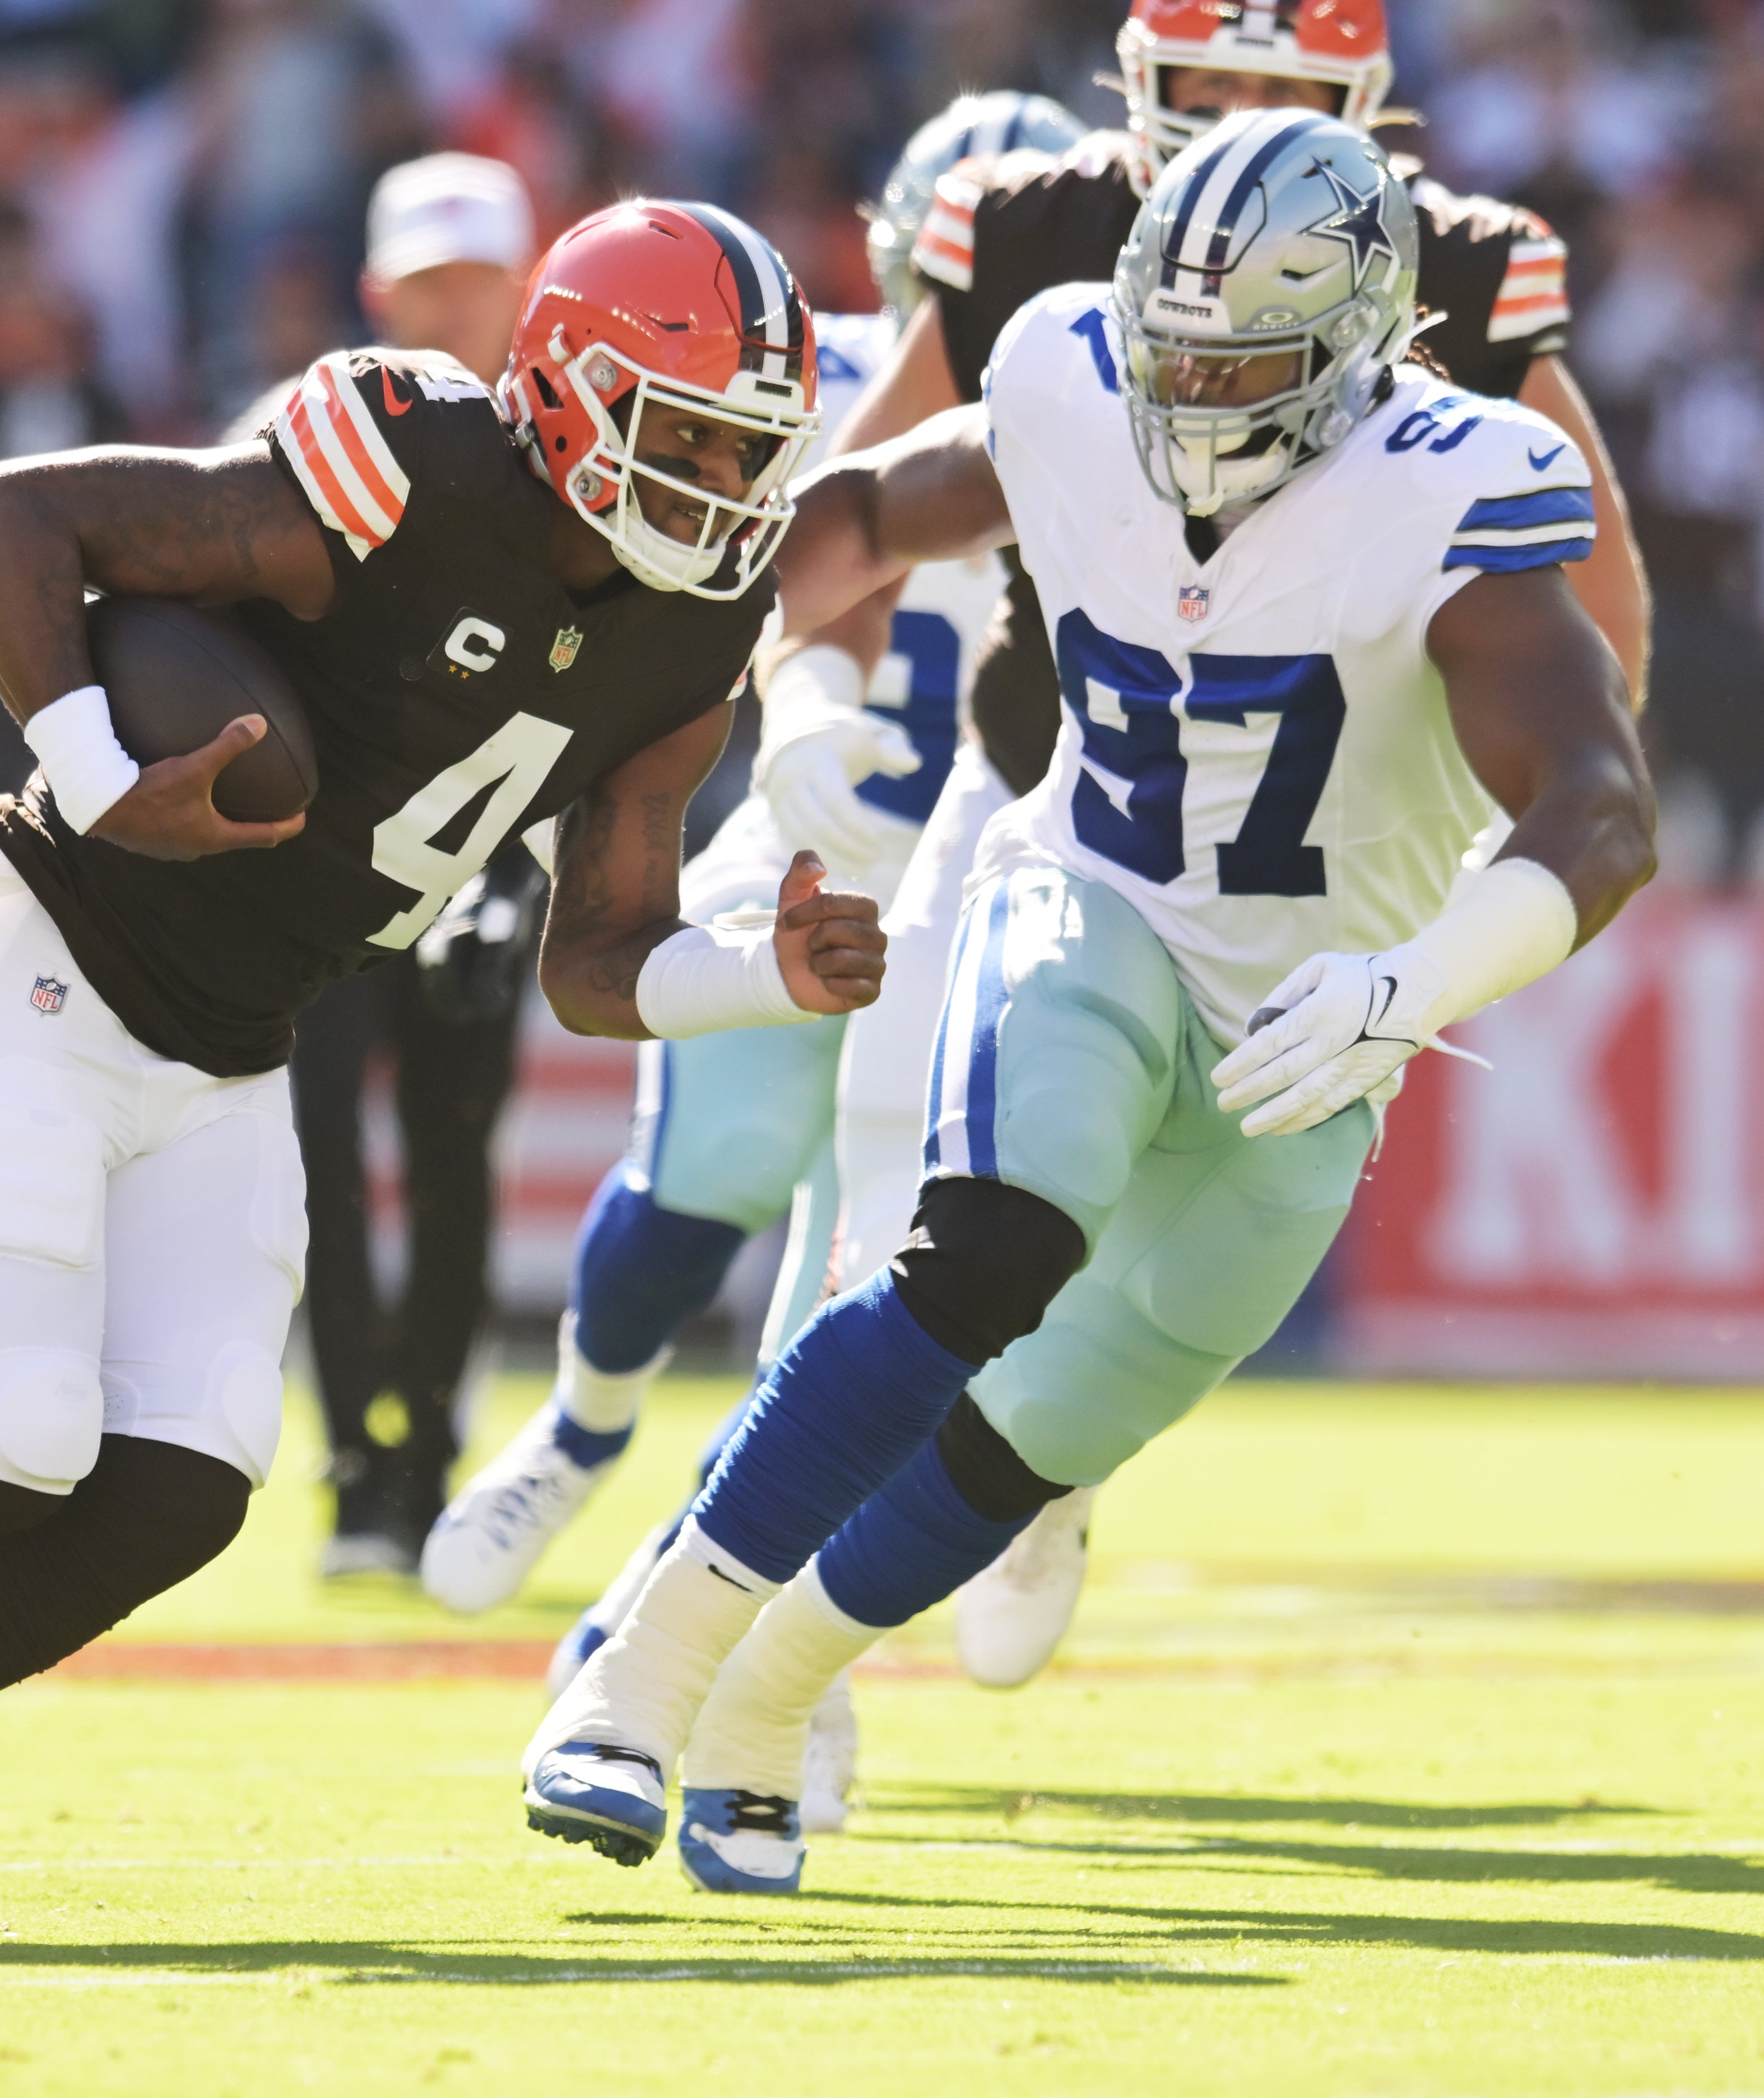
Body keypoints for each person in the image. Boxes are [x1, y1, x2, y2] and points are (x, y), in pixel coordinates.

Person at [0, 197, 887, 1947]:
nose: (719, 481)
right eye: (689, 431)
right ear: (563, 392)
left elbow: (589, 964)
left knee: (174, 1492)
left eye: (748, 447)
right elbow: (6, 521)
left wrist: (752, 974)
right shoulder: (410, 463)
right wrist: (96, 767)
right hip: (40, 954)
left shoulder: (688, 637)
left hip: (234, 1051)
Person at [521, 113, 1656, 1898]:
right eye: (1165, 339)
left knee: (1045, 1427)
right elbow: (858, 515)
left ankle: (765, 1709)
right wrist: (758, 685)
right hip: (1096, 901)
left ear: (1357, 339)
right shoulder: (1066, 365)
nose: (1185, 385)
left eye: (1236, 356)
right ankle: (635, 1685)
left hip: (1320, 1021)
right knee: (980, 1251)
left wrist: (1410, 978)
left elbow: (1597, 810)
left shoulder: (1456, 476)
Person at [799, 0, 1652, 1693]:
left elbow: (1593, 605)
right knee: (883, 1167)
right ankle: (761, 1603)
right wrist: (807, 695)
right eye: (1208, 90)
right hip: (1045, 778)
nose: (1242, 122)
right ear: (1135, 90)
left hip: (1300, 850)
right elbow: (858, 497)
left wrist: (1555, 808)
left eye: (1285, 95)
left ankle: (1035, 1468)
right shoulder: (1036, 232)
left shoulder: (1459, 276)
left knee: (1144, 1227)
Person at [419, 95, 1087, 1637]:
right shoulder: (811, 375)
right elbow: (759, 562)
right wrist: (800, 714)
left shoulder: (1123, 421)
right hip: (813, 821)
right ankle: (580, 1424)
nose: (961, 312)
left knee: (897, 1229)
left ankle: (1010, 1477)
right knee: (703, 1173)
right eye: (944, 270)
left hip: (1006, 866)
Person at [279, 150, 546, 1576]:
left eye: (476, 282)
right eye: (429, 284)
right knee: (317, 1170)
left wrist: (526, 863)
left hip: (486, 852)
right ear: (381, 290)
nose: (451, 310)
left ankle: (427, 1459)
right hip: (318, 862)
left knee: (451, 1165)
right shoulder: (303, 431)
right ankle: (352, 1471)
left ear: (523, 286)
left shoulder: (571, 446)